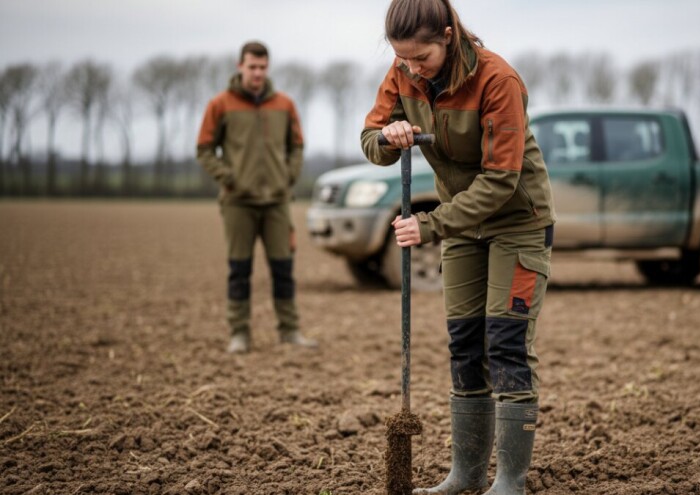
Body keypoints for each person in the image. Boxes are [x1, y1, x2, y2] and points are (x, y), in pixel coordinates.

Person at [361, 1, 555, 493]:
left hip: (517, 222)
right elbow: (370, 139)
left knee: (507, 343)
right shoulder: (404, 73)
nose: (411, 68)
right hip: (464, 229)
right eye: (402, 58)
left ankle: (509, 481)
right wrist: (388, 137)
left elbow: (501, 181)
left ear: (447, 36)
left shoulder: (497, 80)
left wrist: (430, 225)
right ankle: (465, 475)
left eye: (421, 57)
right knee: (465, 344)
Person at [197, 41, 316, 353]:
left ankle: (290, 330)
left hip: (277, 201)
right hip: (238, 202)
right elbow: (204, 149)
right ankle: (239, 334)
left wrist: (288, 176)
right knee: (240, 270)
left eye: (263, 67)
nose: (258, 73)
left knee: (283, 270)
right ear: (240, 66)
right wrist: (228, 178)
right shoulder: (220, 104)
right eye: (252, 67)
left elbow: (297, 145)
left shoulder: (284, 104)